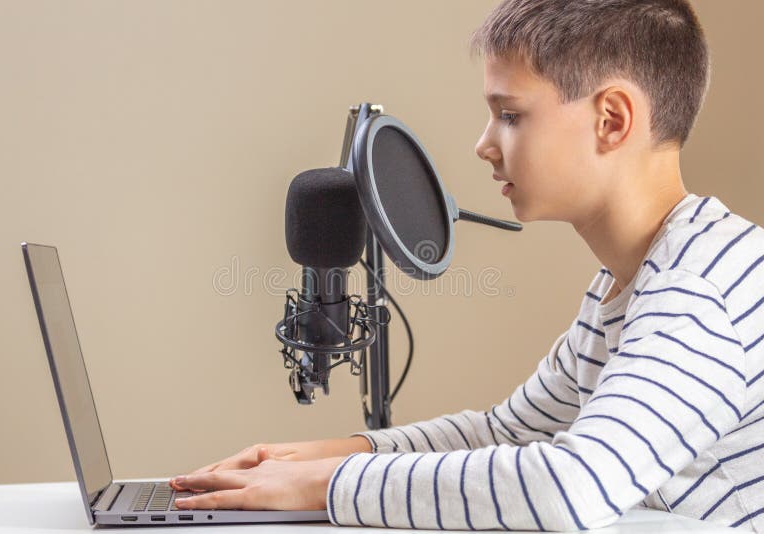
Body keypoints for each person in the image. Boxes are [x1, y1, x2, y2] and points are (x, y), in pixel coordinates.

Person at [169, 0, 764, 530]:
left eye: (510, 115)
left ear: (612, 120)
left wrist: (322, 486)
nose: (484, 144)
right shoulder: (633, 282)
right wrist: (320, 456)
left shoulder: (693, 294)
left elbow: (571, 488)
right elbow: (505, 433)